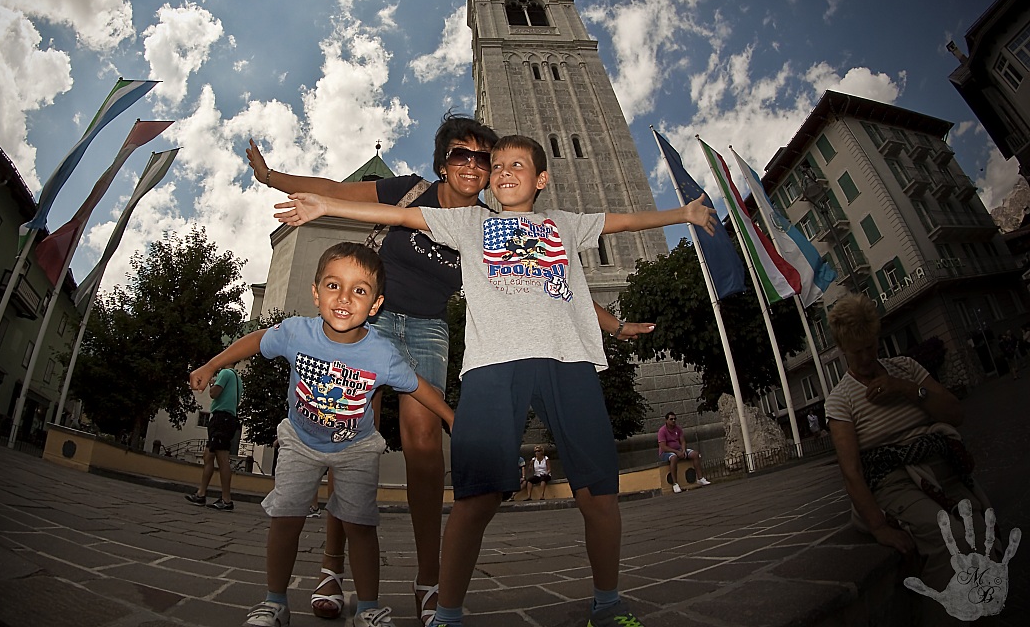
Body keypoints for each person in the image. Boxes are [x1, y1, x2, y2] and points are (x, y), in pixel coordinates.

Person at [275, 134, 717, 627]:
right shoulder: (470, 222)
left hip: (566, 360)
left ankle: (608, 604)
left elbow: (627, 222)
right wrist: (325, 205)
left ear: (541, 179)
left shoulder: (566, 224)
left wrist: (685, 216)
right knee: (476, 497)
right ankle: (447, 612)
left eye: (516, 165)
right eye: (498, 165)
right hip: (493, 365)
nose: (503, 172)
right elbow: (397, 216)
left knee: (599, 493)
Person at [188, 242, 454, 627]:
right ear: (316, 293)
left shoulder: (382, 353)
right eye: (334, 286)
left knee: (360, 525)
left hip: (357, 449)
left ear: (375, 305)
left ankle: (367, 608)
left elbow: (418, 386)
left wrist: (450, 416)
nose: (344, 298)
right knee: (286, 518)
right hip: (300, 443)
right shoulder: (298, 333)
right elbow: (258, 339)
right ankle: (274, 602)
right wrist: (213, 364)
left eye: (359, 290)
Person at [824, 293, 1001, 625]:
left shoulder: (905, 368)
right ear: (842, 349)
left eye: (871, 347)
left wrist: (906, 389)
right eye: (856, 350)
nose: (865, 357)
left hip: (940, 467)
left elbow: (955, 412)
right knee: (950, 538)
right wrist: (878, 525)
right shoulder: (840, 400)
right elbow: (850, 470)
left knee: (981, 534)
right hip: (895, 481)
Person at [185, 362, 243, 511]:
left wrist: (212, 384)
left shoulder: (225, 373)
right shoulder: (238, 379)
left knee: (222, 458)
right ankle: (201, 493)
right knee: (208, 456)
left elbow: (214, 394)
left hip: (221, 419)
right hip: (228, 418)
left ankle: (226, 500)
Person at [657, 412, 711, 493]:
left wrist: (683, 450)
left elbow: (683, 441)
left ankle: (700, 478)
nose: (673, 421)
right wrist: (676, 452)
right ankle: (675, 484)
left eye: (675, 419)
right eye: (671, 419)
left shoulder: (678, 429)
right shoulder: (662, 431)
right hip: (666, 452)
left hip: (678, 449)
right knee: (673, 457)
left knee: (695, 454)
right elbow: (663, 447)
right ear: (666, 420)